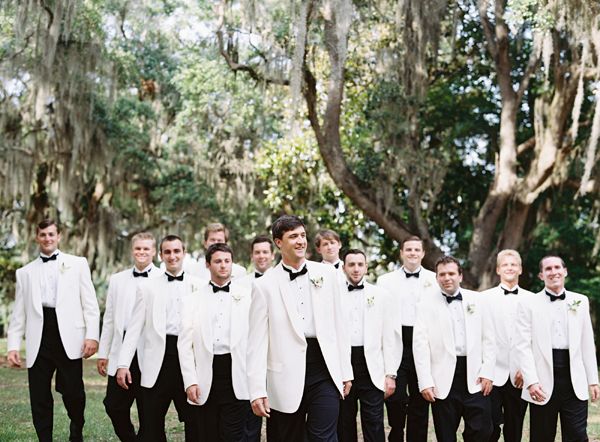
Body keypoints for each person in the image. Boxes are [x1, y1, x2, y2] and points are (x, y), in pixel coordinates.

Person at [247, 215, 353, 441]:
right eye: (293, 236)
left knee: (324, 436)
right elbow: (256, 343)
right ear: (278, 242)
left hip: (324, 368)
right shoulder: (264, 285)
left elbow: (339, 326)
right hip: (284, 374)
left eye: (303, 235)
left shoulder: (329, 275)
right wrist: (257, 390)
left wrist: (346, 371)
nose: (300, 241)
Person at [7, 218, 100, 442]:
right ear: (37, 237)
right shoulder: (24, 273)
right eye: (43, 235)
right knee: (38, 395)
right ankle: (44, 438)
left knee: (74, 393)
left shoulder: (78, 264)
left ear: (59, 236)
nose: (47, 238)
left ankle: (76, 426)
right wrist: (12, 346)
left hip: (69, 336)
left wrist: (92, 336)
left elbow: (90, 304)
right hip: (39, 337)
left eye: (51, 234)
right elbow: (19, 313)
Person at [115, 235, 203, 441]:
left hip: (188, 362)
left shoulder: (200, 285)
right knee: (151, 425)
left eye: (176, 251)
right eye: (168, 252)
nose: (172, 256)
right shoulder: (147, 287)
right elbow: (134, 329)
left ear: (184, 253)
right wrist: (123, 364)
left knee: (195, 422)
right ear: (161, 255)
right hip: (156, 364)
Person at [515, 255, 599, 442]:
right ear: (541, 275)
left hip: (574, 380)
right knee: (542, 436)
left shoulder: (581, 301)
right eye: (548, 269)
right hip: (542, 381)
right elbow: (522, 346)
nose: (553, 272)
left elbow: (587, 343)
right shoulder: (528, 303)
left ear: (565, 271)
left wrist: (593, 380)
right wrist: (531, 381)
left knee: (577, 435)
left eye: (557, 268)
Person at [413, 256, 495, 442]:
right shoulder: (425, 305)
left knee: (482, 430)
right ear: (436, 278)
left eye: (451, 273)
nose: (447, 278)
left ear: (460, 276)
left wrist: (488, 371)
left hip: (475, 376)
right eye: (442, 274)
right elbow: (420, 346)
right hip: (442, 378)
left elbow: (489, 339)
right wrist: (425, 381)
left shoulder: (478, 300)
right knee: (445, 434)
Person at [178, 243, 252, 440]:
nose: (223, 266)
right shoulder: (191, 300)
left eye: (227, 261)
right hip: (205, 375)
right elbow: (184, 347)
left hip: (236, 374)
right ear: (207, 265)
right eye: (218, 261)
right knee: (207, 434)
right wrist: (190, 382)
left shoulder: (248, 297)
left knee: (233, 435)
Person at [97, 232, 162, 441]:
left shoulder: (162, 279)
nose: (142, 252)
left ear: (154, 251)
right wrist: (103, 353)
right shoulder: (117, 279)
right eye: (138, 248)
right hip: (121, 347)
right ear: (132, 250)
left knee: (148, 409)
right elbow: (109, 319)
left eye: (146, 248)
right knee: (113, 405)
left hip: (149, 349)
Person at [376, 236, 436, 441]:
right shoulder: (385, 281)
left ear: (423, 253)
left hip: (423, 342)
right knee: (395, 398)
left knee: (421, 398)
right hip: (395, 342)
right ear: (401, 253)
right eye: (408, 249)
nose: (412, 253)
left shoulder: (434, 279)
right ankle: (396, 431)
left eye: (416, 250)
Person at [337, 249, 400, 442]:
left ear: (366, 267)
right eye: (351, 264)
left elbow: (390, 338)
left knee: (373, 422)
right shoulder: (334, 295)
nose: (356, 269)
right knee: (344, 422)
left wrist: (390, 374)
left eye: (360, 264)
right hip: (343, 366)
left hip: (372, 367)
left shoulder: (381, 295)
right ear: (343, 267)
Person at [481, 250, 533, 442]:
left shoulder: (532, 299)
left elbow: (535, 339)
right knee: (489, 427)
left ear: (520, 269)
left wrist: (525, 369)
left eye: (513, 264)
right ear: (498, 270)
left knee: (515, 427)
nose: (509, 268)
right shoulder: (484, 298)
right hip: (492, 375)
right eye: (505, 265)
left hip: (519, 375)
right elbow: (480, 336)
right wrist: (485, 370)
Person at [237, 235, 276, 441]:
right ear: (252, 256)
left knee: (278, 413)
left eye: (265, 252)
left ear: (272, 255)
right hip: (250, 352)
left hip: (278, 355)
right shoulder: (240, 284)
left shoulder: (282, 281)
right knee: (250, 411)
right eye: (257, 252)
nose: (261, 256)